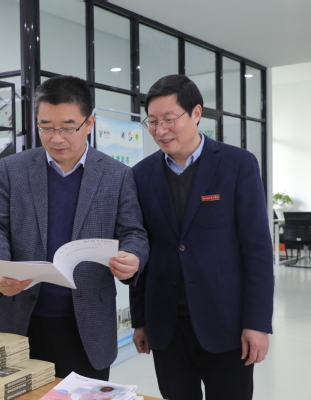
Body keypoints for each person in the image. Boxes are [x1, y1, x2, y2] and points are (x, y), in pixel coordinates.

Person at [0, 75, 149, 380]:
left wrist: (133, 256)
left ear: (89, 123)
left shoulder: (117, 175)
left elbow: (133, 232)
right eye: (46, 127)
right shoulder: (13, 169)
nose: (56, 139)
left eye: (68, 128)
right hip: (24, 319)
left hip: (89, 325)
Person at [130, 74, 274, 400]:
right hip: (167, 325)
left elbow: (257, 251)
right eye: (152, 121)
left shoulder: (237, 165)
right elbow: (141, 250)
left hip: (227, 323)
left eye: (169, 119)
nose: (160, 130)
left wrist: (257, 322)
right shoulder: (141, 175)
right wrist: (140, 320)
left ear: (196, 113)